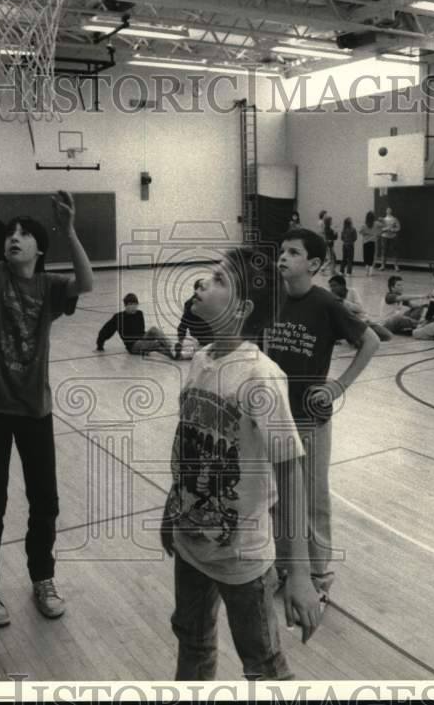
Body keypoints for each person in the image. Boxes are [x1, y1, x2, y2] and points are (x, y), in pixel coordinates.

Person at [0, 151, 93, 627]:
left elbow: (87, 283)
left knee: (44, 501)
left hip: (35, 411)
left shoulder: (49, 288)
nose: (13, 238)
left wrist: (69, 228)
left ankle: (41, 577)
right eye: (11, 233)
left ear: (39, 249)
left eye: (24, 234)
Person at [161, 246, 321, 680]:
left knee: (264, 665)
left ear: (242, 308)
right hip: (191, 546)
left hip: (243, 560)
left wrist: (300, 575)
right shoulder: (200, 360)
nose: (202, 283)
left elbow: (290, 471)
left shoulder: (260, 375)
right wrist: (171, 508)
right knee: (192, 641)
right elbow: (189, 449)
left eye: (218, 280)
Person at [265, 227, 381, 600]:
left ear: (313, 263)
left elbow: (371, 340)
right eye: (282, 251)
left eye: (294, 253)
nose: (283, 257)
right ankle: (287, 567)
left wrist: (338, 386)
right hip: (274, 414)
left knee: (312, 498)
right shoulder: (272, 300)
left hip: (309, 418)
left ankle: (318, 575)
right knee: (280, 497)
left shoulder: (326, 304)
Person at [96, 293, 177, 358]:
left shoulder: (139, 313)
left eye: (135, 304)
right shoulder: (118, 317)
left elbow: (141, 331)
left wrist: (150, 339)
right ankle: (175, 355)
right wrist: (100, 345)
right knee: (156, 344)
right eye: (131, 304)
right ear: (126, 305)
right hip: (133, 345)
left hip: (141, 339)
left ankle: (172, 347)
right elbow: (106, 330)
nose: (134, 307)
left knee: (154, 329)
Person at [327, 274, 392, 341]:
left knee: (387, 335)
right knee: (360, 342)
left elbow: (359, 308)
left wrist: (342, 301)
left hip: (363, 322)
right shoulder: (331, 297)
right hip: (349, 326)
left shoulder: (352, 291)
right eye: (331, 286)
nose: (332, 289)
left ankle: (370, 336)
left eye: (334, 286)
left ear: (343, 286)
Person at [175, 280, 214, 360]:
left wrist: (180, 342)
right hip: (207, 335)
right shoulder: (204, 302)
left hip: (199, 335)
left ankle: (191, 352)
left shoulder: (189, 303)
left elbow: (183, 325)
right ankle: (196, 351)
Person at [377, 207, 400, 271]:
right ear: (386, 211)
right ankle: (383, 265)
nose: (389, 211)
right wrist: (385, 229)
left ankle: (396, 266)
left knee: (394, 251)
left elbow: (398, 228)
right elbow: (379, 229)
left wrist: (393, 230)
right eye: (387, 210)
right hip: (384, 237)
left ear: (391, 211)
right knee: (384, 251)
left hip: (393, 237)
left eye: (390, 210)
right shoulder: (383, 219)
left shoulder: (395, 219)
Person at [358, 211, 378, 275]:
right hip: (372, 242)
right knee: (371, 256)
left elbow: (360, 232)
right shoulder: (375, 224)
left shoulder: (364, 225)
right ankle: (370, 271)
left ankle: (367, 269)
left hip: (365, 242)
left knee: (366, 256)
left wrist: (366, 233)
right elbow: (383, 226)